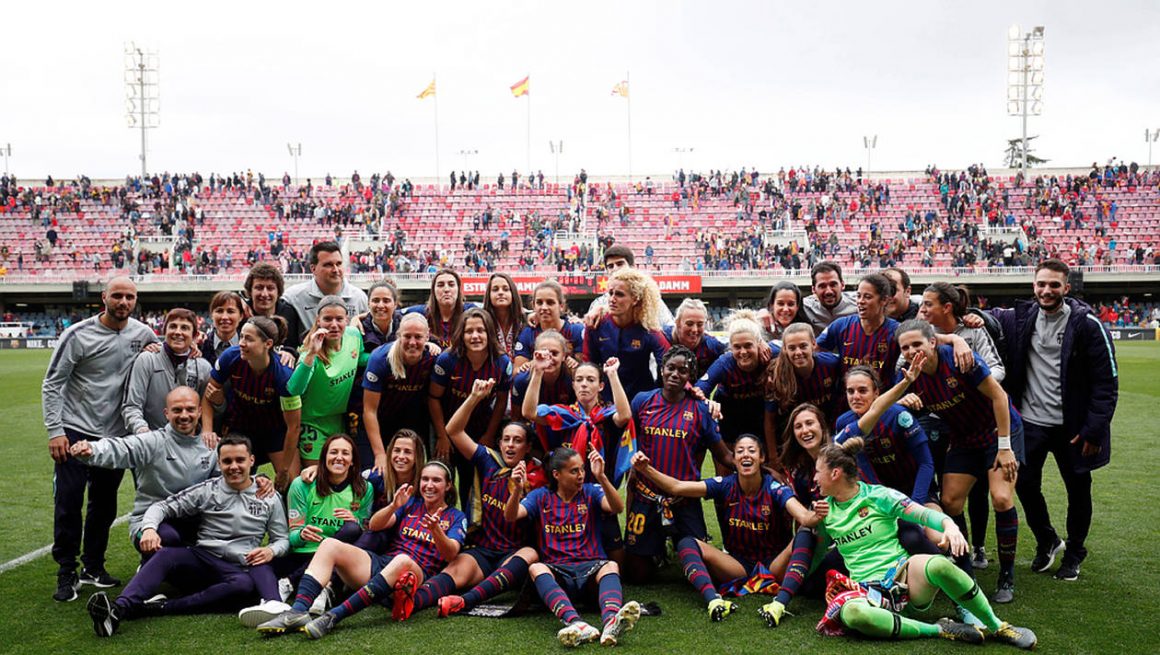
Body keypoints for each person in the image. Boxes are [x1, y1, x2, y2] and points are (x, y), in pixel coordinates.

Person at [809, 438, 1036, 649]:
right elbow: (814, 551)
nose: (814, 478)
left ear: (835, 473)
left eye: (817, 472)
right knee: (853, 614)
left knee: (938, 564)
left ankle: (998, 627)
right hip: (865, 591)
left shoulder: (878, 496)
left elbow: (924, 515)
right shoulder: (823, 512)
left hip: (904, 578)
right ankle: (939, 629)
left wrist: (949, 525)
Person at [86, 435, 291, 637]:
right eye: (227, 461)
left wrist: (270, 550)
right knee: (166, 555)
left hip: (238, 567)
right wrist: (148, 528)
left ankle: (158, 608)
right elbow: (162, 507)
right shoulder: (208, 490)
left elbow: (282, 538)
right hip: (203, 558)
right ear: (219, 463)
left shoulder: (269, 496)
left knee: (243, 585)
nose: (234, 466)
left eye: (240, 460)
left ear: (252, 461)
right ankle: (117, 610)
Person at [990, 259, 1118, 581]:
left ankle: (1074, 552)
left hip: (1073, 428)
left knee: (1078, 490)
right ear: (1034, 286)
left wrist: (1094, 428)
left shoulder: (1087, 324)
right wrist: (970, 319)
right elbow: (987, 319)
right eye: (1041, 285)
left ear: (1067, 287)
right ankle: (1047, 539)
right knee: (1025, 484)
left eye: (1054, 285)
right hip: (1031, 423)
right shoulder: (1022, 316)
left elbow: (1107, 382)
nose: (1046, 291)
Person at [43, 276, 158, 601]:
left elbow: (162, 360)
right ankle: (66, 571)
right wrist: (56, 431)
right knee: (68, 501)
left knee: (104, 505)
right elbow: (53, 383)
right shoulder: (77, 335)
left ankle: (93, 566)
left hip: (115, 436)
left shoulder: (143, 334)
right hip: (76, 430)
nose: (124, 302)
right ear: (104, 298)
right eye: (117, 296)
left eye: (130, 297)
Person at [257, 461, 467, 638]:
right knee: (329, 544)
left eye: (436, 480)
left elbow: (450, 554)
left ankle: (333, 617)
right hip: (384, 566)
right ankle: (298, 611)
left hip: (415, 575)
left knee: (402, 560)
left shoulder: (457, 517)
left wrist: (436, 530)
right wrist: (394, 505)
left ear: (448, 486)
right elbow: (374, 525)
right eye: (425, 479)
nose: (429, 485)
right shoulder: (412, 504)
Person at [895, 319, 1024, 604]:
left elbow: (1000, 397)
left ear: (933, 342)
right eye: (905, 347)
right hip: (964, 439)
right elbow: (890, 405)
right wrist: (901, 402)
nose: (912, 350)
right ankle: (964, 569)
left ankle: (1007, 575)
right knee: (951, 502)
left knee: (1001, 498)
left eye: (917, 344)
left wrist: (1004, 447)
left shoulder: (960, 359)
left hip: (999, 432)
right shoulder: (909, 375)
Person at [630, 435, 820, 624]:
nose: (746, 455)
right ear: (734, 460)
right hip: (737, 565)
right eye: (740, 451)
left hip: (775, 564)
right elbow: (677, 487)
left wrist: (819, 512)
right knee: (686, 543)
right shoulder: (725, 485)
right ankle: (714, 600)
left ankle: (779, 604)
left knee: (805, 533)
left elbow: (804, 517)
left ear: (761, 458)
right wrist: (645, 468)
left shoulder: (775, 488)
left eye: (752, 451)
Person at [406, 379, 541, 620]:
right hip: (483, 549)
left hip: (514, 553)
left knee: (530, 555)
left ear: (528, 446)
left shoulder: (538, 476)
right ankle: (409, 602)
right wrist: (475, 397)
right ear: (499, 443)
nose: (510, 445)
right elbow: (453, 430)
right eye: (506, 439)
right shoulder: (488, 460)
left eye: (517, 440)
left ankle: (463, 601)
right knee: (456, 571)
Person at [503, 448, 642, 647]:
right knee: (536, 568)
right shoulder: (540, 496)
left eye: (582, 470)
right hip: (559, 571)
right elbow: (511, 516)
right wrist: (517, 489)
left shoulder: (591, 491)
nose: (581, 475)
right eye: (574, 471)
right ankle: (576, 623)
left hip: (591, 569)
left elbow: (616, 507)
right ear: (556, 475)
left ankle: (611, 622)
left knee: (611, 565)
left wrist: (601, 476)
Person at [623, 345, 734, 583]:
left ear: (690, 376)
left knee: (701, 569)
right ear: (662, 370)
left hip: (683, 500)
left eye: (682, 370)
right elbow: (625, 441)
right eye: (670, 368)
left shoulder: (700, 409)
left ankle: (674, 542)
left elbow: (723, 455)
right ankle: (656, 550)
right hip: (647, 496)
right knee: (637, 576)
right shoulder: (642, 401)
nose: (675, 374)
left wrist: (758, 469)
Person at [237, 433, 372, 627]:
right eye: (333, 452)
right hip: (302, 555)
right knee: (258, 561)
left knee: (351, 529)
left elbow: (365, 533)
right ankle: (279, 599)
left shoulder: (364, 488)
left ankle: (290, 584)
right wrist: (301, 534)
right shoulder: (302, 485)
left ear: (353, 461)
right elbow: (290, 538)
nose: (339, 457)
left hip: (336, 563)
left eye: (345, 453)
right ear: (324, 457)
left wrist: (358, 524)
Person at [70, 387, 220, 556]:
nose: (184, 416)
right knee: (168, 539)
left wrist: (255, 482)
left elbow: (227, 484)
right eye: (177, 410)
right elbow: (122, 448)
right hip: (150, 522)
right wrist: (91, 449)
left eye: (190, 409)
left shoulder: (211, 446)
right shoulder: (154, 441)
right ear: (166, 413)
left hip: (193, 519)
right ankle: (149, 563)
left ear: (200, 411)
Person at [920, 281, 1006, 568]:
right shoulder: (920, 331)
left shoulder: (973, 329)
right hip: (940, 423)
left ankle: (979, 548)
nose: (922, 310)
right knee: (949, 495)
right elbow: (904, 367)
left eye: (927, 304)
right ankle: (960, 554)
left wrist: (973, 381)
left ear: (947, 307)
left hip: (978, 420)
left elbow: (997, 368)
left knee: (982, 490)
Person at [201, 316, 302, 489]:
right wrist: (207, 430)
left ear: (268, 344)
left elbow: (294, 427)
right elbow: (208, 394)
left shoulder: (284, 375)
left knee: (293, 484)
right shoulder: (230, 357)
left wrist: (284, 470)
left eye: (249, 339)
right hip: (240, 427)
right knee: (230, 481)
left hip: (274, 430)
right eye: (241, 337)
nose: (241, 343)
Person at [429, 307, 513, 508]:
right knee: (444, 475)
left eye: (481, 331)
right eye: (469, 331)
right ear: (461, 334)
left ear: (489, 333)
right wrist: (442, 436)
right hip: (447, 426)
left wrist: (490, 434)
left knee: (475, 477)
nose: (475, 336)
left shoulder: (501, 363)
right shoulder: (447, 360)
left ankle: (474, 526)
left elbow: (502, 401)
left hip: (480, 428)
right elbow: (433, 398)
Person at [285, 296, 367, 470]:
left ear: (347, 319)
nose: (334, 325)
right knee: (316, 477)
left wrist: (390, 355)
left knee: (340, 474)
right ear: (318, 320)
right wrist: (311, 354)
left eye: (339, 319)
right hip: (313, 423)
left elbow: (361, 360)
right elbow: (294, 389)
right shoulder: (310, 351)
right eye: (328, 319)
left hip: (339, 421)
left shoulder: (354, 335)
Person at [583, 267, 670, 403]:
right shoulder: (596, 324)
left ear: (635, 299)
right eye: (610, 293)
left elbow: (669, 363)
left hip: (641, 401)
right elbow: (588, 365)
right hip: (606, 400)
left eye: (619, 294)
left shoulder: (648, 329)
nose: (612, 299)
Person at [362, 314, 436, 472]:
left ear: (427, 337)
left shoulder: (434, 357)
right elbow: (369, 410)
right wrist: (380, 454)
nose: (412, 342)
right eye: (407, 336)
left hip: (415, 421)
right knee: (377, 474)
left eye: (418, 337)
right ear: (398, 335)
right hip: (381, 420)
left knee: (418, 473)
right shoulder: (380, 359)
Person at [122, 308, 212, 434]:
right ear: (164, 331)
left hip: (187, 444)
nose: (178, 332)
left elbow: (208, 409)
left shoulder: (203, 367)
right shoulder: (147, 359)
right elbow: (132, 406)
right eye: (173, 327)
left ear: (195, 336)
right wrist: (143, 432)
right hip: (151, 441)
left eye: (185, 328)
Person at [695, 310, 772, 451]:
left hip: (759, 414)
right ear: (730, 347)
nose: (743, 352)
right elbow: (699, 389)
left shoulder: (771, 354)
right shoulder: (724, 363)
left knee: (762, 463)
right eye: (737, 347)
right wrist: (707, 401)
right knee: (727, 464)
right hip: (729, 415)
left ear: (759, 343)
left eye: (748, 345)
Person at [764, 323, 841, 455]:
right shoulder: (777, 377)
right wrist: (773, 458)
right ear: (784, 350)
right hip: (797, 439)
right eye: (792, 348)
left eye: (803, 346)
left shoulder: (831, 364)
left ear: (813, 344)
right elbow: (770, 420)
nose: (798, 353)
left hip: (830, 433)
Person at [282, 241, 369, 348]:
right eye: (328, 265)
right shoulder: (293, 297)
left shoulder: (359, 298)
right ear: (313, 269)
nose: (335, 270)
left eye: (339, 264)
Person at [585, 244, 675, 328]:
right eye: (610, 266)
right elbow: (585, 334)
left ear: (632, 267)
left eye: (620, 264)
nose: (615, 269)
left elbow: (670, 328)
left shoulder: (650, 299)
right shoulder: (599, 303)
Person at [513, 279, 584, 372]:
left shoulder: (576, 331)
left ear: (561, 306)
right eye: (539, 302)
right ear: (533, 306)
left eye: (550, 302)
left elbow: (586, 369)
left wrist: (572, 366)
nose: (544, 307)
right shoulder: (528, 333)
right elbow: (517, 374)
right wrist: (534, 364)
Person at [511, 330, 575, 422]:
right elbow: (517, 418)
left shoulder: (573, 379)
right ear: (534, 354)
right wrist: (538, 371)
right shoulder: (522, 380)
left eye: (554, 353)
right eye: (543, 353)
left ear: (564, 356)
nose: (548, 358)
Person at [405, 268, 474, 350]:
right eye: (440, 285)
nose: (446, 289)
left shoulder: (470, 313)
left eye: (451, 285)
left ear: (459, 289)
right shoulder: (419, 314)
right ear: (433, 291)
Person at [243, 262, 305, 352]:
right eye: (259, 288)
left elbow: (294, 346)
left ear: (278, 291)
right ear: (250, 291)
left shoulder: (289, 313)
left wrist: (290, 353)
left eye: (270, 288)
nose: (264, 294)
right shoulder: (242, 312)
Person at [663, 298, 726, 378]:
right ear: (677, 323)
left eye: (700, 324)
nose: (694, 330)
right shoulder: (663, 337)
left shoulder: (712, 346)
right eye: (689, 324)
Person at [802, 261, 856, 335]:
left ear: (842, 285)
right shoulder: (804, 307)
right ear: (814, 289)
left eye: (833, 284)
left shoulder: (858, 303)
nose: (828, 291)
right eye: (822, 286)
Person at [481, 272, 526, 358]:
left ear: (512, 293)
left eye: (505, 289)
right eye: (495, 289)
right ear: (489, 295)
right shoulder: (482, 322)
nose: (500, 293)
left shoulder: (525, 320)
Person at [200, 291, 246, 365]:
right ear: (211, 315)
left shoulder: (249, 346)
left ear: (241, 316)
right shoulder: (201, 345)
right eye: (219, 311)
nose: (224, 317)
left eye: (230, 311)